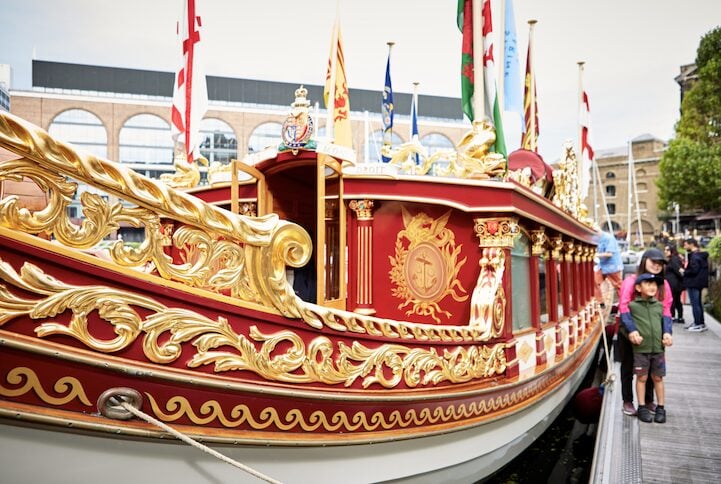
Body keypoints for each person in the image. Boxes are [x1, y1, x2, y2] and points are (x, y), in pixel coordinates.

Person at [617, 248, 673, 416]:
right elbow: (624, 306)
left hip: (652, 333)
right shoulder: (631, 281)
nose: (657, 265)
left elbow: (666, 309)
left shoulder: (663, 285)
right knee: (628, 366)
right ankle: (627, 400)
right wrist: (631, 330)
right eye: (653, 262)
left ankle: (648, 401)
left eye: (660, 263)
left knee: (651, 367)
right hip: (629, 331)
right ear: (644, 261)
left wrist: (667, 331)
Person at [683, 238, 709, 332]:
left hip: (693, 282)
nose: (684, 246)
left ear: (691, 244)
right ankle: (700, 323)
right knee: (698, 303)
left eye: (686, 244)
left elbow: (694, 270)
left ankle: (698, 323)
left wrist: (684, 272)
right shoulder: (700, 255)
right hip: (699, 283)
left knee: (695, 304)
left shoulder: (695, 256)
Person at [594, 231, 623, 306]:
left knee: (618, 285)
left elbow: (609, 253)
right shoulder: (597, 238)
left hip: (613, 266)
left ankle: (625, 304)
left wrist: (596, 255)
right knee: (595, 281)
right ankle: (600, 303)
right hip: (602, 265)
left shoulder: (609, 238)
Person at [664, 244, 685, 323]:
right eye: (665, 250)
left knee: (672, 299)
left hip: (673, 283)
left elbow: (679, 270)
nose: (665, 251)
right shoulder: (673, 259)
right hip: (675, 283)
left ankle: (673, 316)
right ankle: (679, 317)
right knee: (676, 300)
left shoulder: (674, 260)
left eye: (667, 250)